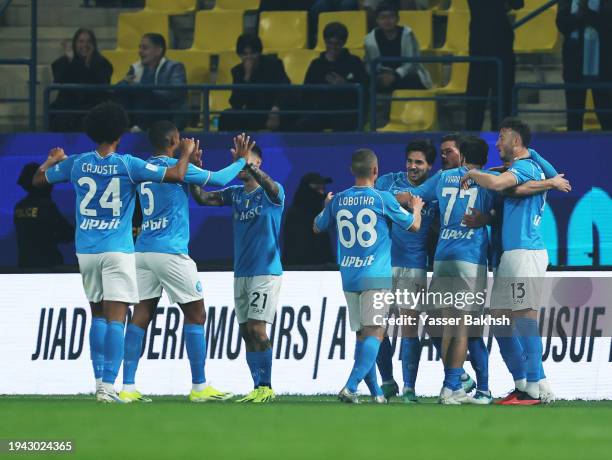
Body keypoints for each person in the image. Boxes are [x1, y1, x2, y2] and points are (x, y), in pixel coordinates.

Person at [31, 102, 193, 403]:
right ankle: (108, 387)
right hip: (117, 251)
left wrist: (51, 160)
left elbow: (38, 181)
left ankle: (98, 383)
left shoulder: (77, 163)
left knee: (97, 316)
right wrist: (184, 154)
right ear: (120, 132)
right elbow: (176, 175)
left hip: (87, 252)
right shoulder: (128, 164)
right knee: (117, 318)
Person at [119, 125, 252, 403]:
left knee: (141, 314)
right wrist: (242, 160)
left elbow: (181, 181)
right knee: (196, 315)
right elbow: (219, 179)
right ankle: (199, 386)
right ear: (172, 141)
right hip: (171, 252)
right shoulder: (173, 165)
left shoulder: (146, 168)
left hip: (142, 251)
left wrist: (188, 164)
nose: (185, 141)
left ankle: (128, 386)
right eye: (181, 139)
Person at [461, 117, 571, 405]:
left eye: (501, 137)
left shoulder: (523, 167)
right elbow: (512, 189)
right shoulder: (528, 166)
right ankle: (529, 383)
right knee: (499, 319)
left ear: (516, 141)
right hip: (513, 253)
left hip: (525, 252)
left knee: (524, 317)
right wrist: (548, 180)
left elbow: (498, 183)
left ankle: (532, 387)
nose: (496, 143)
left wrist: (473, 173)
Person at [314, 148, 424, 404]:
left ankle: (376, 393)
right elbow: (413, 225)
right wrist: (416, 208)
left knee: (363, 336)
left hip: (349, 276)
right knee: (375, 333)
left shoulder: (339, 199)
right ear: (376, 171)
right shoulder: (382, 198)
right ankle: (351, 386)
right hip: (375, 276)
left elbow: (316, 226)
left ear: (352, 171)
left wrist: (326, 207)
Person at [190, 143, 284, 404]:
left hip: (265, 271)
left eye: (248, 162)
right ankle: (256, 387)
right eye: (239, 163)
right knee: (245, 331)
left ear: (258, 164)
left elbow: (273, 188)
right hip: (241, 272)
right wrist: (195, 169)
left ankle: (266, 386)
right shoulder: (235, 194)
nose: (242, 168)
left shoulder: (272, 194)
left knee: (258, 328)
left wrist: (248, 164)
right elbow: (202, 198)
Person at [373, 139, 438, 402]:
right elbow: (374, 196)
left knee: (409, 327)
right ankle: (387, 381)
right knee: (376, 327)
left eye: (419, 162)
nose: (412, 166)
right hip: (382, 265)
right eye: (410, 161)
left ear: (429, 166)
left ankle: (410, 388)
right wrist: (401, 199)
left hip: (414, 266)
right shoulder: (389, 181)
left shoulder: (434, 189)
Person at [295, 22, 367, 132]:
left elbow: (365, 92)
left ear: (344, 43)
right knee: (304, 123)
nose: (333, 47)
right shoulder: (316, 64)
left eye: (337, 43)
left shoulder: (354, 62)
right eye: (329, 43)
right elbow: (307, 93)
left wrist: (345, 86)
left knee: (348, 124)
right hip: (320, 111)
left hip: (345, 112)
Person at [465, 0, 524, 131]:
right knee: (480, 99)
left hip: (489, 42)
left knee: (496, 100)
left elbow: (518, 3)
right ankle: (473, 141)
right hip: (490, 43)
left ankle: (475, 141)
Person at [556, 0, 612, 131]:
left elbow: (608, 24)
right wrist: (579, 16)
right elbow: (562, 24)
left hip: (603, 65)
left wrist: (587, 14)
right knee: (574, 114)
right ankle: (573, 149)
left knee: (606, 114)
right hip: (574, 64)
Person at [219, 34, 290, 132]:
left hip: (275, 110)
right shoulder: (237, 71)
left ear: (259, 52)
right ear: (239, 55)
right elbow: (236, 103)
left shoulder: (274, 65)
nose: (249, 58)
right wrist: (247, 77)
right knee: (227, 116)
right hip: (254, 112)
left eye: (252, 53)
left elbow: (285, 89)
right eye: (245, 54)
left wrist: (276, 109)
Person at [119, 33, 187, 131]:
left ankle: (141, 128)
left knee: (144, 93)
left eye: (145, 48)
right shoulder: (135, 68)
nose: (140, 51)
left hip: (167, 114)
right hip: (140, 114)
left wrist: (147, 91)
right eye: (140, 48)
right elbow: (119, 89)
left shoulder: (174, 67)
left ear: (158, 51)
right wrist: (124, 83)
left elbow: (176, 92)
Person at [49, 28, 113, 132]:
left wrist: (89, 64)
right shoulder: (64, 62)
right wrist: (71, 61)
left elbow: (104, 82)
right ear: (75, 43)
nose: (85, 45)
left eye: (88, 41)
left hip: (93, 107)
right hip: (68, 108)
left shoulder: (103, 63)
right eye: (81, 41)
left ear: (93, 44)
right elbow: (59, 79)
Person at [14, 163, 74, 268]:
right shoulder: (46, 206)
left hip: (25, 266)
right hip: (47, 266)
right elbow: (68, 234)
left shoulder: (19, 207)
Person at [364, 2, 433, 92]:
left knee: (411, 79)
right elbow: (370, 64)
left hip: (405, 75)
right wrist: (381, 76)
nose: (387, 21)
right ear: (377, 20)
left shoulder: (407, 34)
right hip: (383, 76)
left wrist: (395, 75)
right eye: (383, 17)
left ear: (397, 19)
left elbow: (411, 63)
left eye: (391, 17)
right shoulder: (370, 39)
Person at [283, 172, 335, 266]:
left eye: (322, 187)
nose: (322, 192)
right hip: (298, 270)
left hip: (322, 271)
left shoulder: (322, 210)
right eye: (317, 187)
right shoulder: (295, 213)